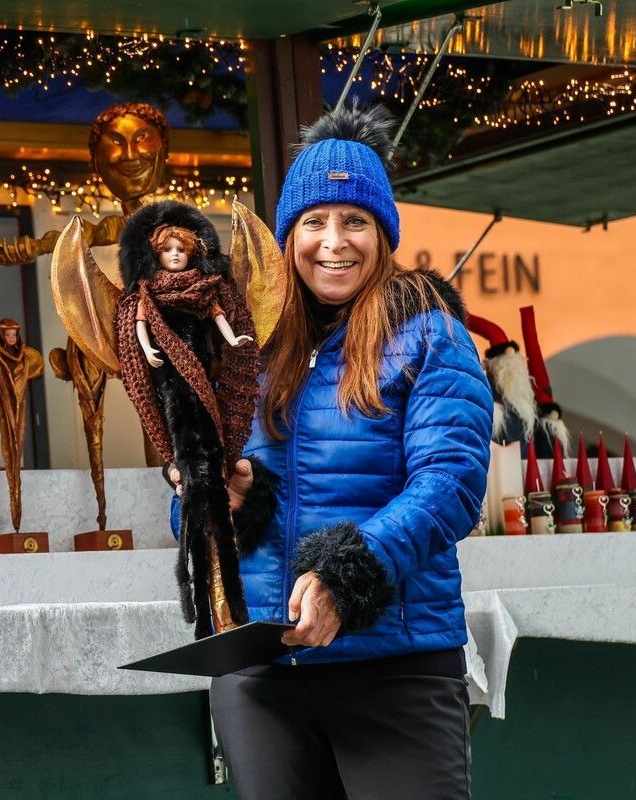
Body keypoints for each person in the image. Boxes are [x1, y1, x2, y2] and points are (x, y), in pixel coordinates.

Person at [167, 104, 493, 799]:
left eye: (355, 221)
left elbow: (451, 485)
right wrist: (218, 501)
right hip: (263, 677)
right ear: (289, 237)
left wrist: (348, 577)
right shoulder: (244, 353)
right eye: (314, 221)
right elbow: (196, 522)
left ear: (384, 234)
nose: (333, 241)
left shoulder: (430, 335)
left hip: (395, 672)